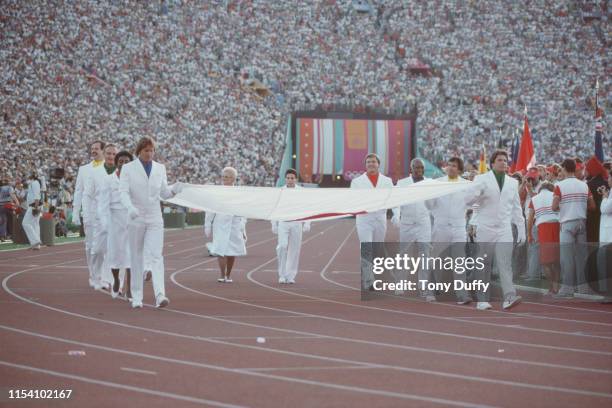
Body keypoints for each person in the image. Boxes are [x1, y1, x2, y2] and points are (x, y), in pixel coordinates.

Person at [120, 136, 182, 308]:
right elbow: (123, 192)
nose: (149, 153)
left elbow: (164, 193)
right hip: (135, 217)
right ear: (139, 151)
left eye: (152, 150)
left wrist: (175, 189)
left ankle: (160, 294)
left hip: (155, 216)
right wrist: (129, 208)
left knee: (156, 255)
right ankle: (137, 297)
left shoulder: (160, 168)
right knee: (137, 256)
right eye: (146, 150)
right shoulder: (128, 169)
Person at [469, 150, 525, 310]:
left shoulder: (513, 183)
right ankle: (482, 299)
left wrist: (521, 230)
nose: (503, 163)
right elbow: (474, 203)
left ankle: (509, 296)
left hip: (504, 228)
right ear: (492, 163)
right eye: (500, 160)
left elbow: (516, 208)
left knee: (505, 263)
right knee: (484, 264)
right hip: (485, 227)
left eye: (505, 160)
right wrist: (473, 219)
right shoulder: (482, 179)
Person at [349, 153, 398, 291]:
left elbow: (393, 199)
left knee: (377, 250)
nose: (371, 164)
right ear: (365, 165)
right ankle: (369, 281)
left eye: (373, 162)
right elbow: (352, 199)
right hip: (364, 219)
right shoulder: (357, 182)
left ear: (378, 164)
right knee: (366, 249)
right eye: (368, 162)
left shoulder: (387, 181)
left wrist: (396, 214)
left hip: (380, 219)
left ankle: (375, 276)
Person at [428, 157, 472, 304]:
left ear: (459, 170)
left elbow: (473, 203)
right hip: (441, 228)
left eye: (454, 166)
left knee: (459, 263)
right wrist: (429, 193)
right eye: (449, 165)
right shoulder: (437, 183)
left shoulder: (467, 185)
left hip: (459, 228)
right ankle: (430, 290)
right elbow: (429, 205)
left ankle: (462, 295)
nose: (451, 168)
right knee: (436, 260)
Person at [552, 158, 596, 297]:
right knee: (581, 257)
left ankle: (567, 289)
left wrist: (564, 206)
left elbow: (554, 206)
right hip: (581, 221)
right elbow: (593, 206)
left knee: (567, 257)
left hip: (567, 222)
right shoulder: (584, 185)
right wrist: (580, 206)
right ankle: (583, 288)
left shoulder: (559, 185)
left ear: (564, 169)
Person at [397, 158, 434, 301]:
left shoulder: (429, 183)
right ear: (410, 169)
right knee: (404, 255)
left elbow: (433, 203)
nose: (418, 170)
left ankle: (423, 287)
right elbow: (396, 202)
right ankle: (400, 284)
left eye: (421, 168)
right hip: (407, 223)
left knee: (425, 255)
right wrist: (396, 215)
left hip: (424, 223)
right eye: (416, 168)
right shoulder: (402, 183)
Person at [99, 150, 133, 299]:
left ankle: (130, 289)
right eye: (121, 161)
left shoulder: (134, 180)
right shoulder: (108, 180)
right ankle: (116, 279)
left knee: (131, 255)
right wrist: (105, 223)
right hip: (114, 220)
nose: (124, 164)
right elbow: (103, 203)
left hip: (131, 220)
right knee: (115, 255)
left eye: (127, 162)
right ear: (116, 163)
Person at [72, 140, 105, 288]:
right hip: (89, 212)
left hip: (105, 212)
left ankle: (103, 276)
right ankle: (93, 275)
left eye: (96, 149)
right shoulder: (84, 169)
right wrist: (75, 212)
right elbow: (78, 191)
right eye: (92, 148)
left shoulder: (109, 167)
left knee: (103, 245)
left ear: (103, 151)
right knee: (90, 245)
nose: (93, 151)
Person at [85, 143, 118, 291]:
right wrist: (87, 214)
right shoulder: (95, 172)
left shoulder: (122, 172)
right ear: (104, 154)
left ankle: (104, 279)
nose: (111, 156)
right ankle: (94, 276)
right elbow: (89, 195)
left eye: (113, 154)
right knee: (97, 249)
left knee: (111, 250)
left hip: (117, 217)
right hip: (98, 217)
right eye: (109, 153)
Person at [205, 167, 247, 283]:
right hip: (220, 224)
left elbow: (243, 211)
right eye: (223, 176)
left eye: (227, 177)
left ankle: (228, 275)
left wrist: (243, 227)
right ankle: (222, 274)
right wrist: (207, 224)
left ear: (233, 178)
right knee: (220, 249)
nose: (225, 179)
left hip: (234, 224)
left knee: (232, 251)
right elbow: (210, 209)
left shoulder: (239, 193)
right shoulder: (217, 192)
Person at [271, 169, 311, 284]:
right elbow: (275, 208)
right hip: (283, 223)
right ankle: (282, 274)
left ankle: (290, 275)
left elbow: (307, 208)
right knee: (282, 246)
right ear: (285, 179)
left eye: (292, 178)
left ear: (296, 179)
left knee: (295, 249)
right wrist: (274, 223)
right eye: (288, 178)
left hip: (297, 223)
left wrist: (307, 223)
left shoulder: (302, 192)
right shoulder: (280, 191)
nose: (290, 180)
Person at [527, 182, 560, 294]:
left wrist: (529, 234)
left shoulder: (534, 199)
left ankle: (551, 286)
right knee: (556, 259)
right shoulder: (554, 195)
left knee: (546, 261)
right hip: (557, 225)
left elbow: (530, 219)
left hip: (543, 227)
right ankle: (556, 286)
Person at [22, 173, 42, 250]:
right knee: (35, 224)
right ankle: (37, 245)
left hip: (34, 205)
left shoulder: (35, 183)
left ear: (32, 176)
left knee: (25, 223)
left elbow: (37, 195)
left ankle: (35, 241)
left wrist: (36, 207)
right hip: (35, 205)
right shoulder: (34, 183)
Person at [0, 177, 19, 241]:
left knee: (3, 220)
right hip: (8, 205)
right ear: (8, 182)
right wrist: (17, 201)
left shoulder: (1, 188)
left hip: (1, 205)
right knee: (12, 220)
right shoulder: (9, 187)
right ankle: (11, 234)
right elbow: (12, 194)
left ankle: (2, 236)